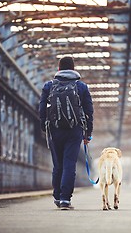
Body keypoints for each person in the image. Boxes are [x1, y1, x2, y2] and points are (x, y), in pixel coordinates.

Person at [39, 56, 93, 210]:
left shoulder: (49, 86)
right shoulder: (81, 87)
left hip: (55, 130)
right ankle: (65, 200)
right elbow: (89, 111)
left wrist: (44, 127)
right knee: (70, 164)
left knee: (58, 165)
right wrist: (88, 133)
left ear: (58, 69)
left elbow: (42, 109)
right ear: (73, 68)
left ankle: (57, 196)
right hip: (74, 130)